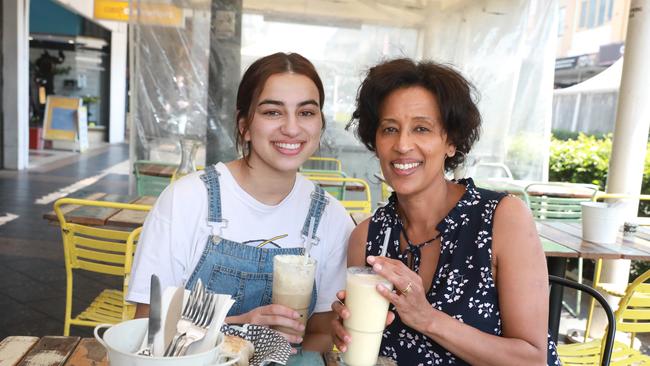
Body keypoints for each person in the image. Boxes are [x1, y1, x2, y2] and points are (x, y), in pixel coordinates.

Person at [331, 58, 560, 365]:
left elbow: (532, 360)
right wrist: (346, 332)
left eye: (421, 129)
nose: (402, 145)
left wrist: (427, 318)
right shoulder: (368, 237)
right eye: (389, 129)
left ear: (451, 141)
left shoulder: (502, 219)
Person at [127, 52, 354, 352]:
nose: (291, 128)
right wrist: (238, 329)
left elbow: (321, 335)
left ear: (320, 124)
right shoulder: (187, 200)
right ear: (244, 124)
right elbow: (148, 325)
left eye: (306, 112)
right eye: (272, 112)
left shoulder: (330, 218)